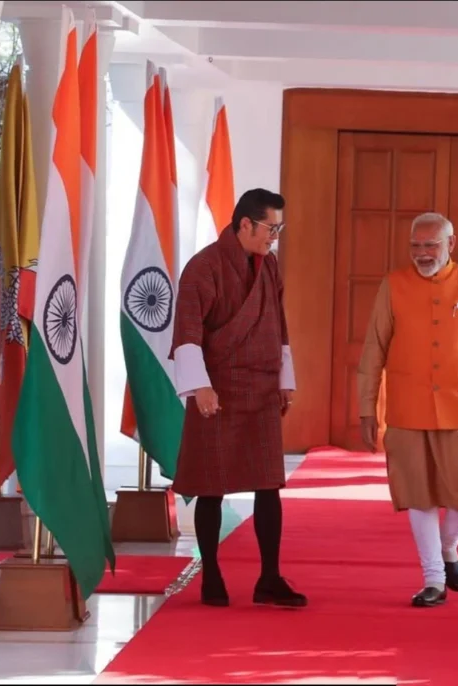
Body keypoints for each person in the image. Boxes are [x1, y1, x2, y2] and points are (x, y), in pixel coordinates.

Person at [357, 212, 458, 608]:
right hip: (408, 410)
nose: (423, 253)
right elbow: (374, 349)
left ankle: (449, 546)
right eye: (416, 246)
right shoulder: (393, 285)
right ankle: (433, 579)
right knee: (418, 493)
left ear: (451, 244)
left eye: (431, 245)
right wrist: (366, 408)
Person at [169, 188, 306, 609]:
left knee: (269, 484)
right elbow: (187, 331)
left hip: (262, 387)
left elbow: (278, 324)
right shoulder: (203, 267)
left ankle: (269, 578)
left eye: (279, 229)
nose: (274, 237)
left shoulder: (269, 266)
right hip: (219, 387)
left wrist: (286, 377)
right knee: (212, 486)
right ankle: (211, 573)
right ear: (245, 223)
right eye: (271, 228)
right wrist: (201, 386)